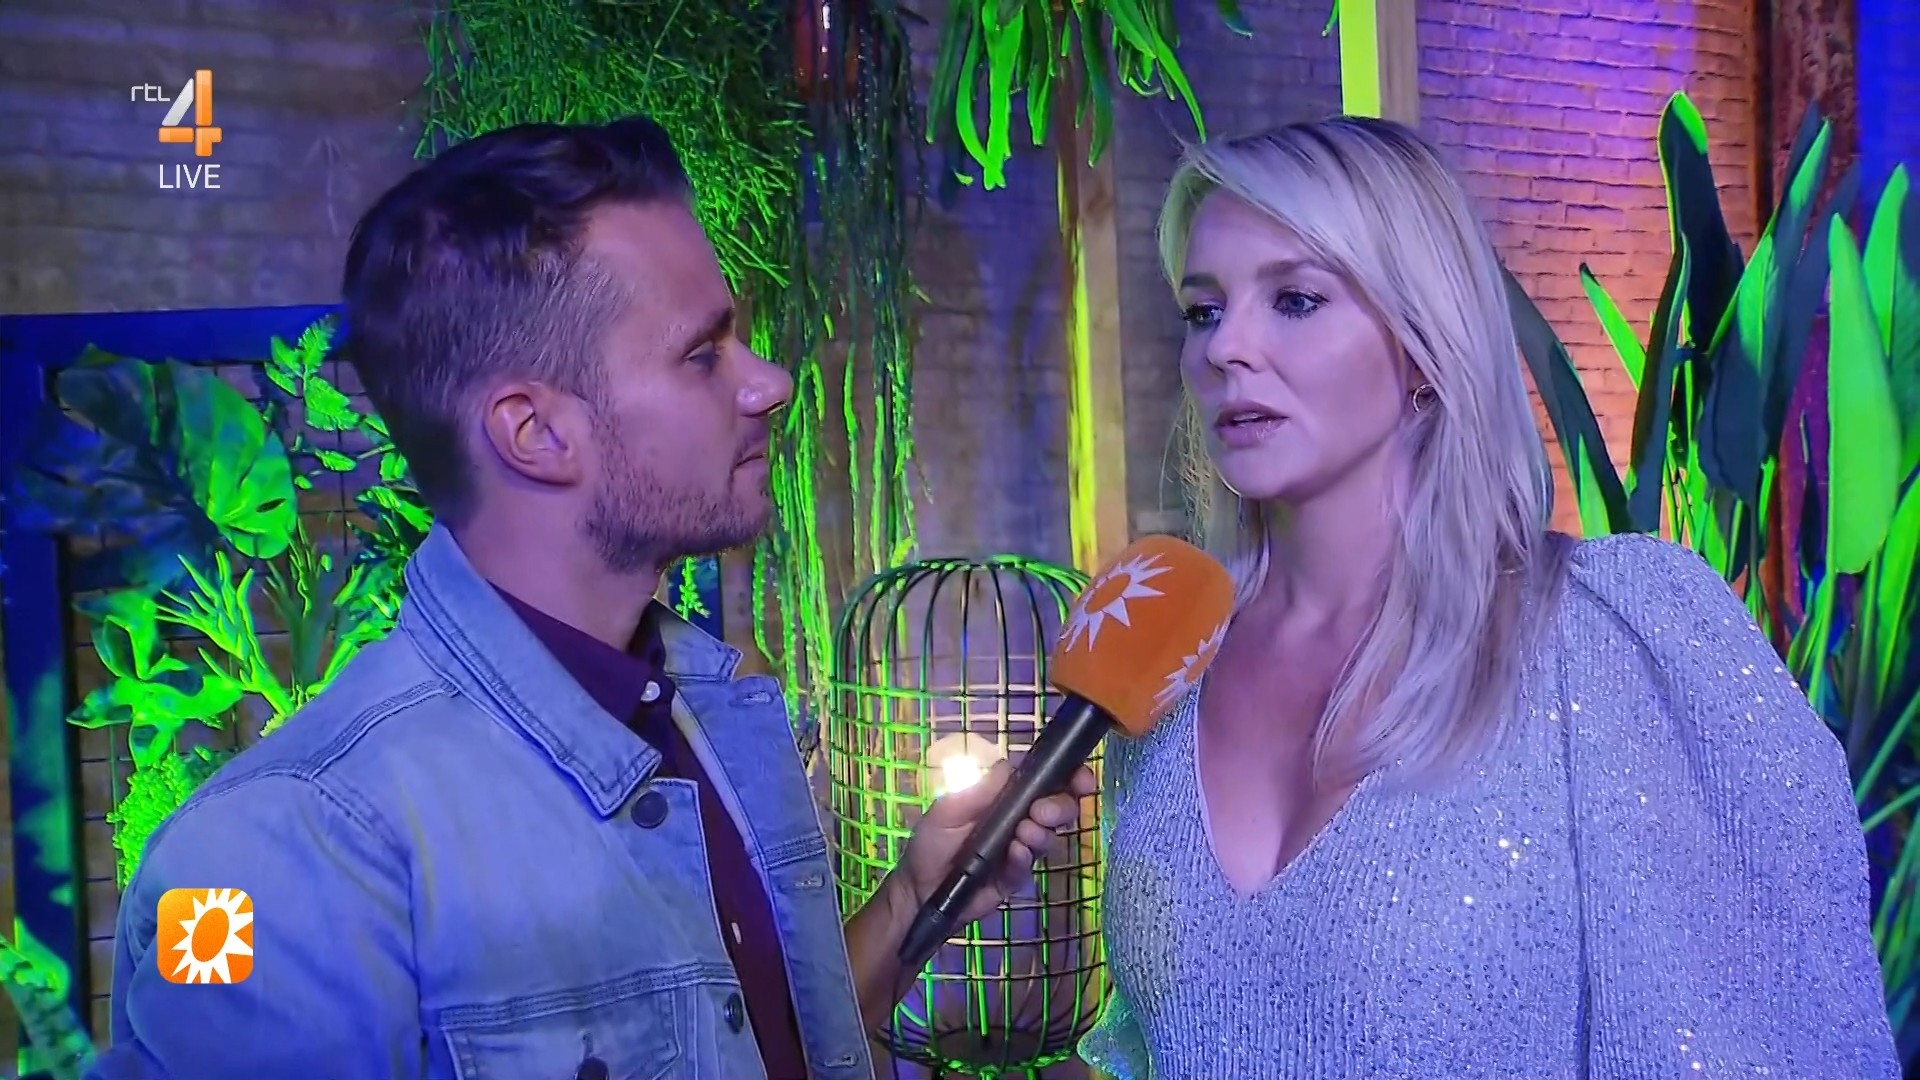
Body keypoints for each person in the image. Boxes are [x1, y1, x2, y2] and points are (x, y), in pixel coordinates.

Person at [89, 115, 1093, 1080]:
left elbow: (761, 1046)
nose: (771, 383)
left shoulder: (713, 708)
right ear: (536, 435)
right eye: (702, 354)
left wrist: (915, 897)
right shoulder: (279, 852)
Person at [1079, 116, 1901, 1079]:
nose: (1227, 348)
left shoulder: (1599, 644)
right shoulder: (1168, 668)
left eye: (1295, 299)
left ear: (1424, 342)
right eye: (1203, 311)